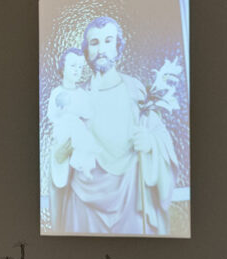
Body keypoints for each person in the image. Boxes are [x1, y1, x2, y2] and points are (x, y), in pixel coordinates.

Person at [48, 16, 176, 234]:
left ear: (118, 47)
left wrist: (150, 143)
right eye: (94, 43)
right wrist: (58, 156)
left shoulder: (136, 91)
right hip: (84, 204)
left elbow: (159, 137)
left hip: (130, 197)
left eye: (108, 41)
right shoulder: (76, 97)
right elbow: (58, 144)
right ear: (86, 51)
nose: (101, 49)